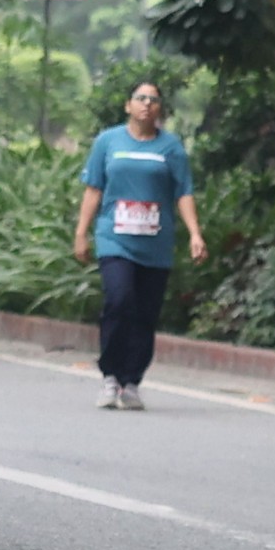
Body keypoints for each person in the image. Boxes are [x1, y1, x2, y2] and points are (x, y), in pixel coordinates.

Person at [73, 80, 203, 409]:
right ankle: (110, 375)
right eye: (140, 98)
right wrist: (81, 232)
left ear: (160, 109)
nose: (146, 104)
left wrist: (195, 233)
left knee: (146, 313)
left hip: (155, 244)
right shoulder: (108, 142)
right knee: (119, 300)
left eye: (153, 100)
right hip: (114, 237)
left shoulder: (170, 147)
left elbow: (183, 192)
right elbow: (93, 189)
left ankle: (131, 381)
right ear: (128, 105)